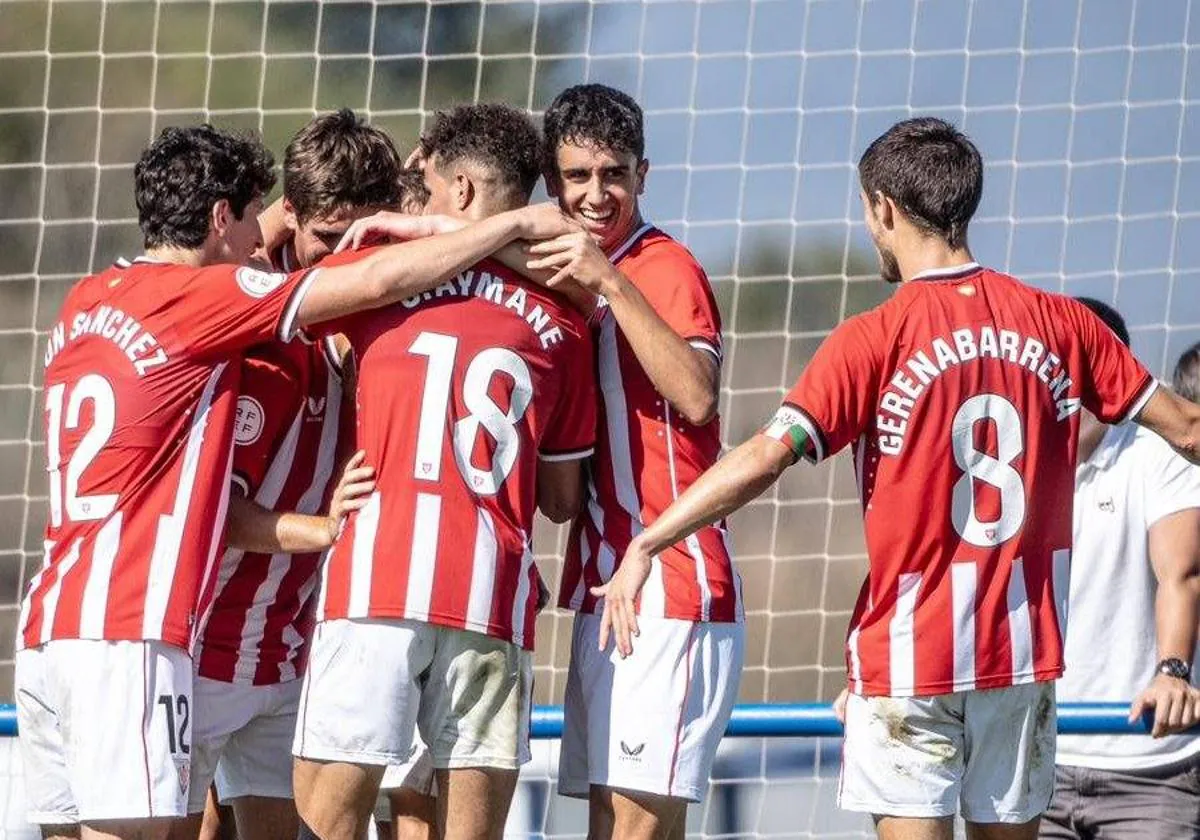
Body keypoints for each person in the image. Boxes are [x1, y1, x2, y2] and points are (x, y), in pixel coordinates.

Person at [595, 116, 1200, 840]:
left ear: (883, 208)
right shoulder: (1063, 322)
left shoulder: (873, 338)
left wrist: (650, 541)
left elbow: (764, 455)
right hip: (1020, 658)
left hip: (909, 664)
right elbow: (1189, 430)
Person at [14, 122, 574, 840]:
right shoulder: (218, 311)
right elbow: (360, 271)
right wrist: (514, 222)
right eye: (261, 217)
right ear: (228, 218)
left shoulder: (86, 301)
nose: (266, 237)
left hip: (88, 629)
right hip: (146, 634)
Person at [290, 103, 598, 840]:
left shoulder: (373, 276)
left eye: (426, 189)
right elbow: (560, 500)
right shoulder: (566, 321)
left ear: (460, 193)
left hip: (376, 578)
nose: (414, 206)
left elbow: (300, 315)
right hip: (492, 594)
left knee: (327, 821)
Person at [521, 83, 746, 840]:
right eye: (577, 177)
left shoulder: (665, 268)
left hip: (674, 587)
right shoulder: (557, 278)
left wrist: (609, 282)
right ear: (553, 184)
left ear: (642, 175)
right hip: (603, 586)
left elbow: (698, 397)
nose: (595, 193)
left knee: (640, 832)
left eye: (612, 173)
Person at [181, 110, 406, 840]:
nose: (343, 258)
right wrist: (326, 529)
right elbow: (217, 507)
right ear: (292, 218)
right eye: (324, 237)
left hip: (291, 655)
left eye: (360, 238)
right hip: (202, 647)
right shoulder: (254, 325)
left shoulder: (393, 312)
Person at [1040, 300, 1200, 840]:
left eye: (1088, 372)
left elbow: (1181, 575)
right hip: (1036, 766)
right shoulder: (1010, 462)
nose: (1070, 390)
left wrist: (1172, 671)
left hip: (1153, 772)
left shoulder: (1159, 453)